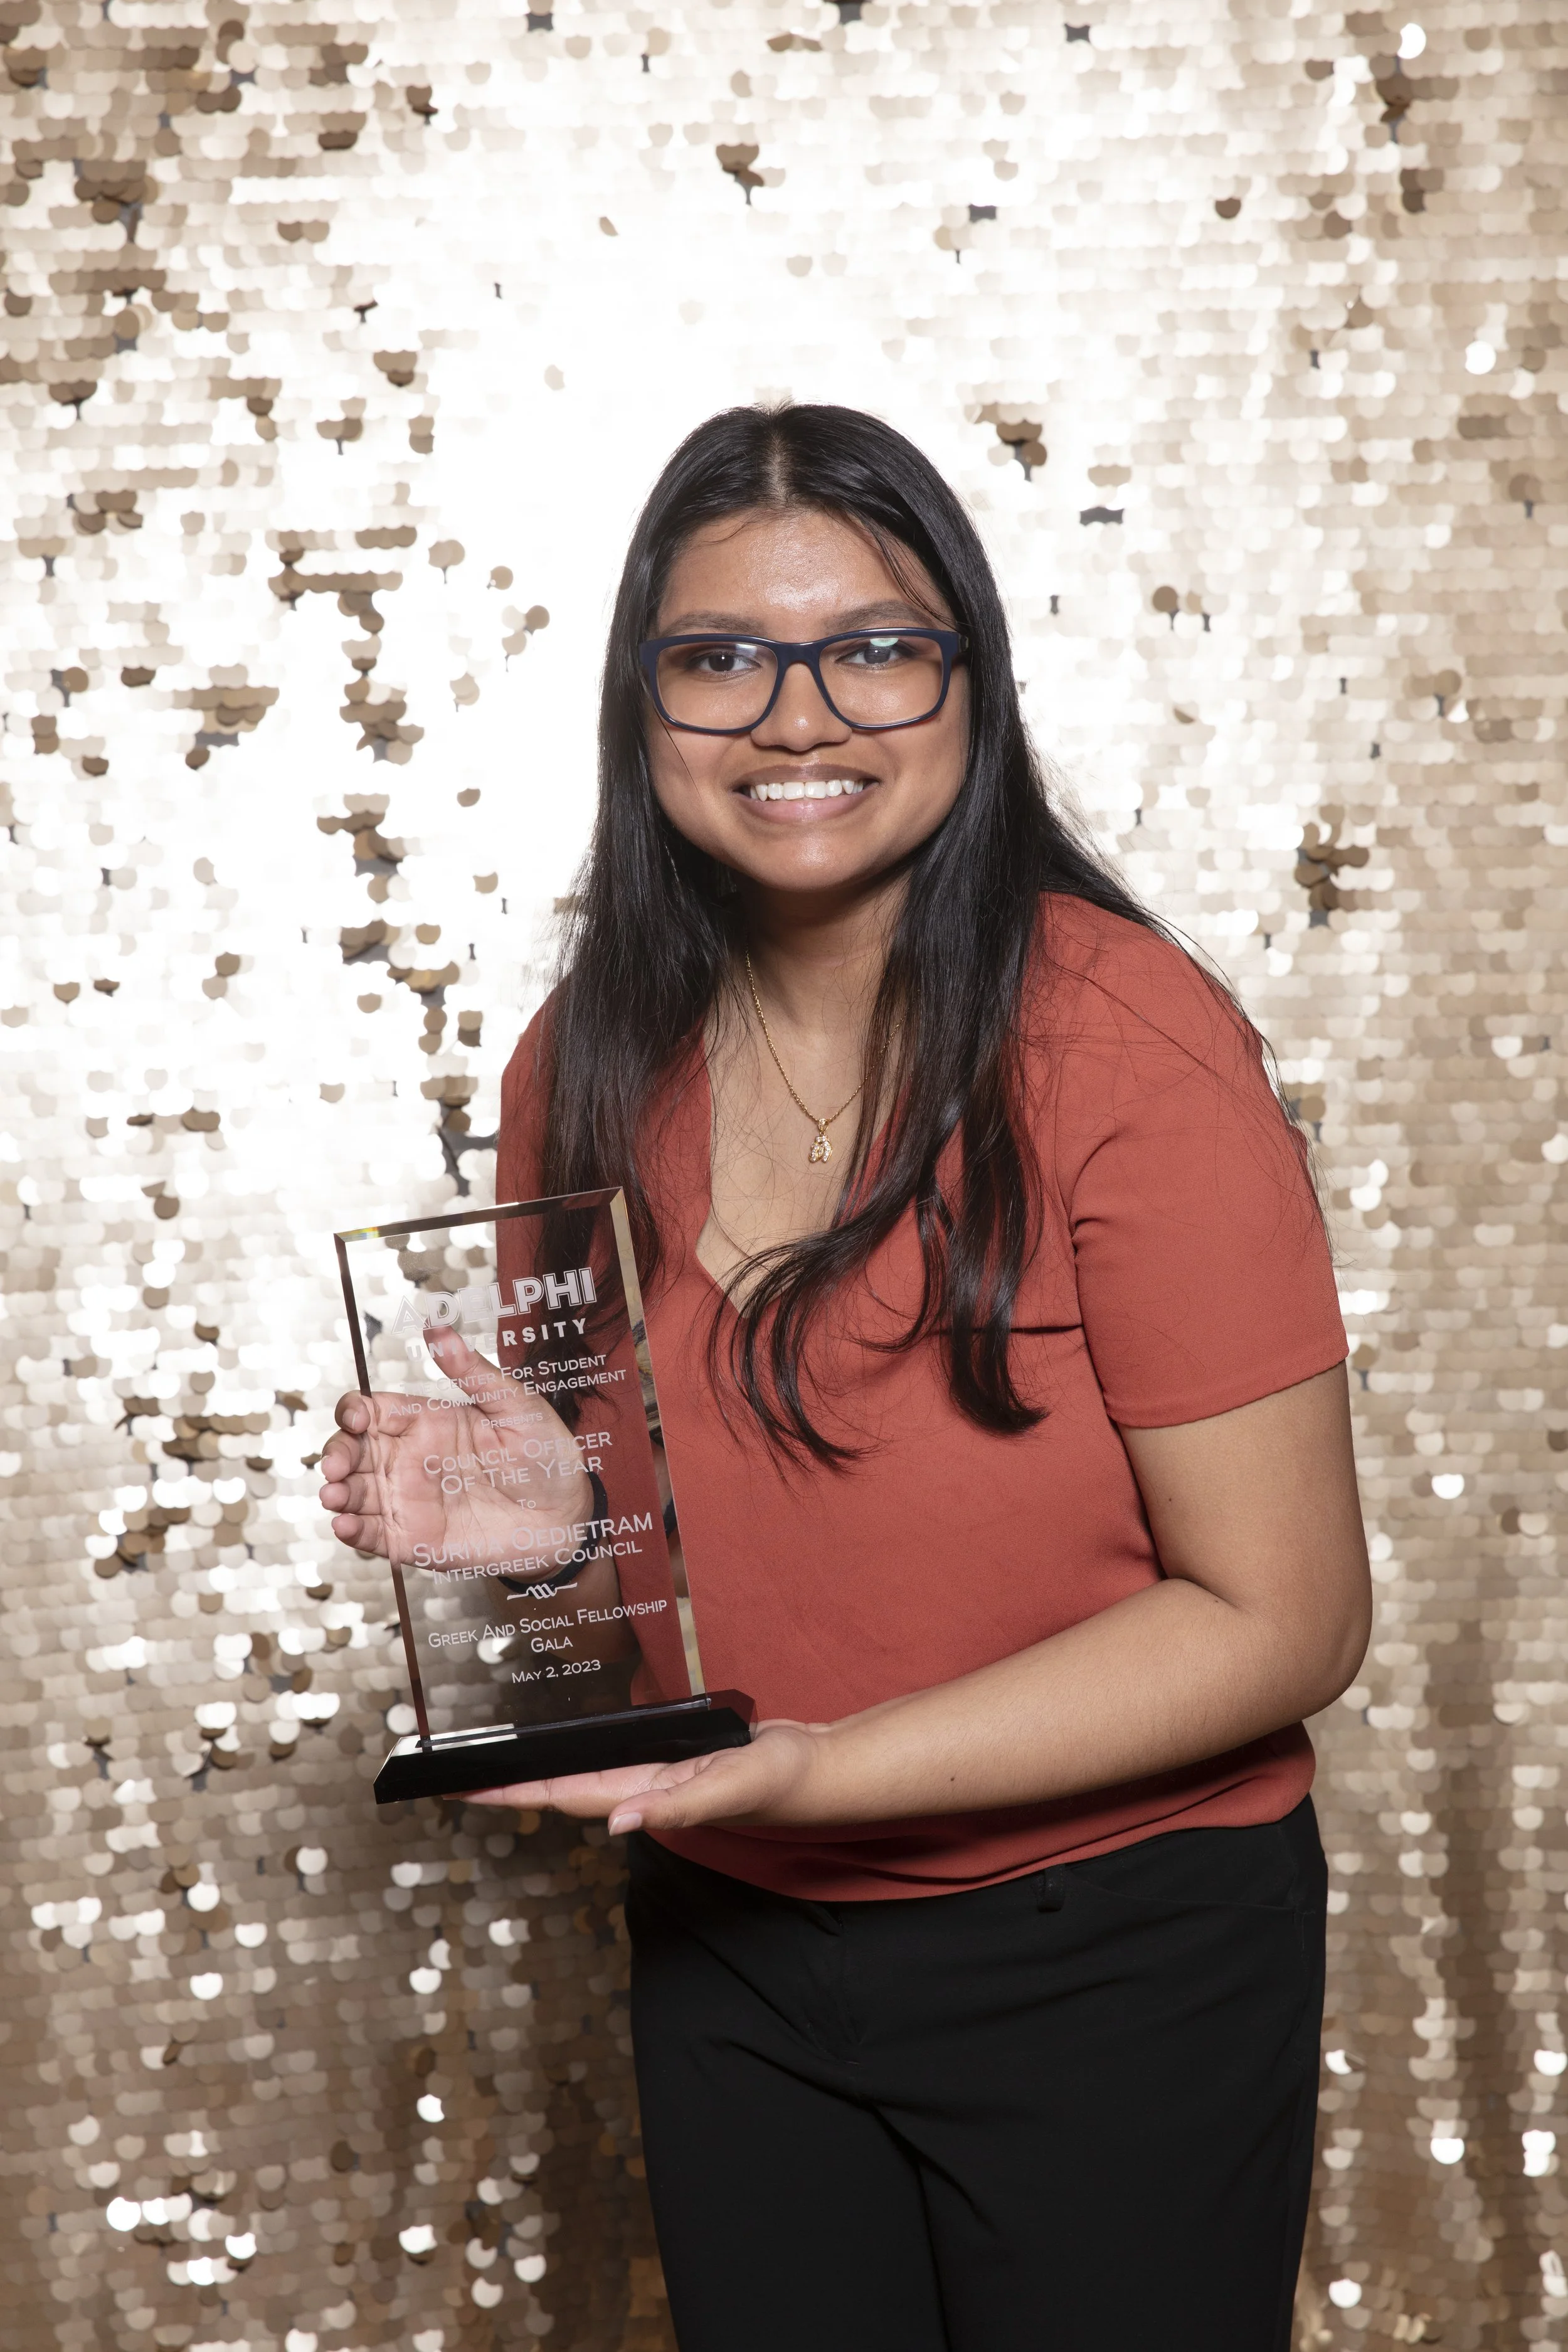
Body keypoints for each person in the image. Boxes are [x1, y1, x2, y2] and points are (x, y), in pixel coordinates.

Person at [324, 403, 1370, 2352]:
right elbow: (668, 1558)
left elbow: (1285, 1617)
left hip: (1113, 1949)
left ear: (967, 679)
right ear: (642, 701)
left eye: (875, 647)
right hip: (735, 1944)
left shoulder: (1123, 1043)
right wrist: (567, 1532)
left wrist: (823, 1771)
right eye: (720, 656)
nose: (796, 715)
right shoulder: (582, 1059)